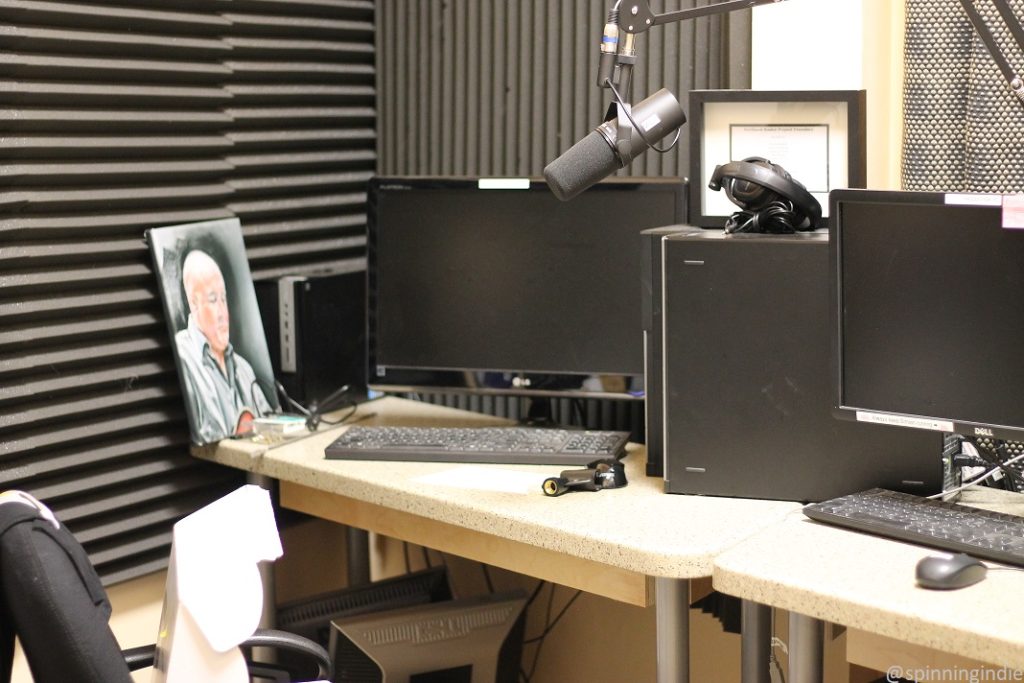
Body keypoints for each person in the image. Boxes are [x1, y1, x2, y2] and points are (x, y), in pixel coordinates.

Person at [174, 249, 273, 443]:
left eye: (223, 298)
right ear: (194, 304)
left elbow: (273, 425)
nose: (222, 313)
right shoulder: (183, 357)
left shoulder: (243, 369)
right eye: (212, 300)